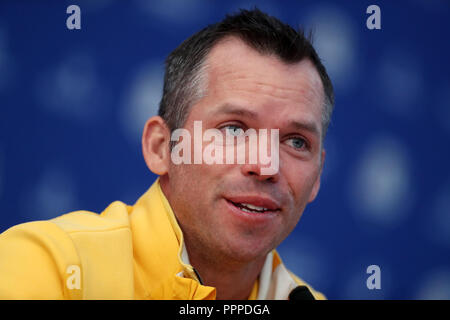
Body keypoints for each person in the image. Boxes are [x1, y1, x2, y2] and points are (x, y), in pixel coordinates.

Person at [0, 8, 334, 300]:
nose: (265, 166)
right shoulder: (47, 268)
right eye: (234, 129)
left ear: (318, 175)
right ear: (162, 147)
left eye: (296, 142)